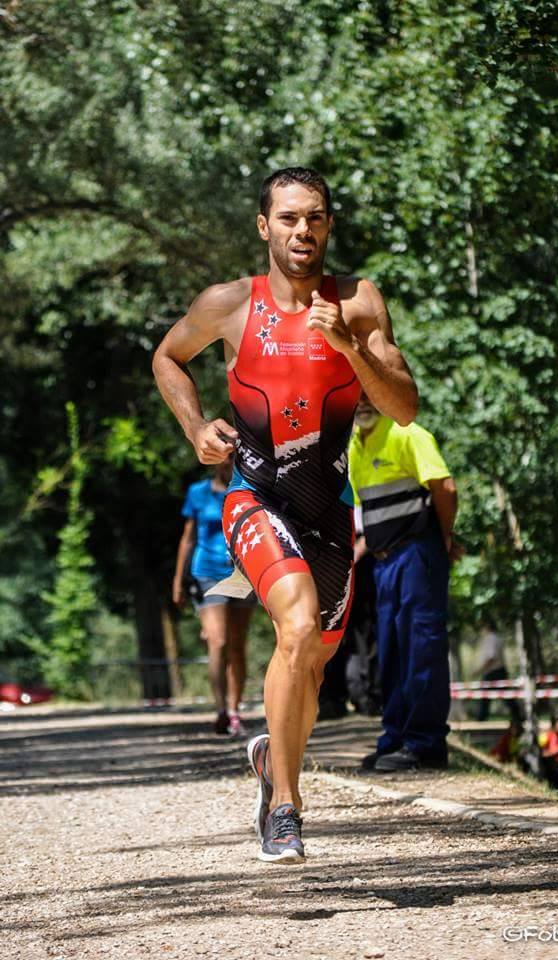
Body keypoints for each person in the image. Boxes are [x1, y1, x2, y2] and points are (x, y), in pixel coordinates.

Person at [153, 166, 418, 861]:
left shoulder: (359, 303)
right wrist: (193, 427)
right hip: (255, 495)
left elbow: (405, 407)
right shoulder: (231, 304)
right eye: (291, 218)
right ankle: (285, 807)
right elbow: (168, 358)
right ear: (264, 226)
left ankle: (274, 761)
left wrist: (351, 351)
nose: (304, 231)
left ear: (329, 225)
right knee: (295, 624)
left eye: (317, 218)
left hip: (330, 508)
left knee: (311, 664)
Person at [348, 394, 460, 772]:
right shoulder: (354, 445)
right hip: (383, 562)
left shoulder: (406, 432)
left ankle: (425, 744)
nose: (363, 402)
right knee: (391, 651)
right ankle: (394, 738)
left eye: (370, 394)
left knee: (421, 647)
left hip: (416, 554)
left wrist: (444, 538)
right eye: (357, 394)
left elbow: (445, 488)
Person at [173, 457, 255, 736]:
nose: (230, 463)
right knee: (218, 640)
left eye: (235, 458)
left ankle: (234, 710)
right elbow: (188, 538)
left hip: (243, 573)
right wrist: (178, 580)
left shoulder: (250, 489)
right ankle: (220, 709)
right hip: (207, 572)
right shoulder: (198, 493)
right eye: (226, 458)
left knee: (236, 646)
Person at [475, 621, 507, 722]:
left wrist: (480, 670)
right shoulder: (497, 638)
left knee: (485, 695)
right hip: (500, 670)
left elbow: (491, 657)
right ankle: (518, 716)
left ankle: (481, 718)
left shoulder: (490, 639)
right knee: (507, 695)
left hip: (493, 671)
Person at [540, 711, 558, 786]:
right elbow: (543, 754)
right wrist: (555, 751)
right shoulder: (548, 735)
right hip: (551, 768)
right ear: (553, 722)